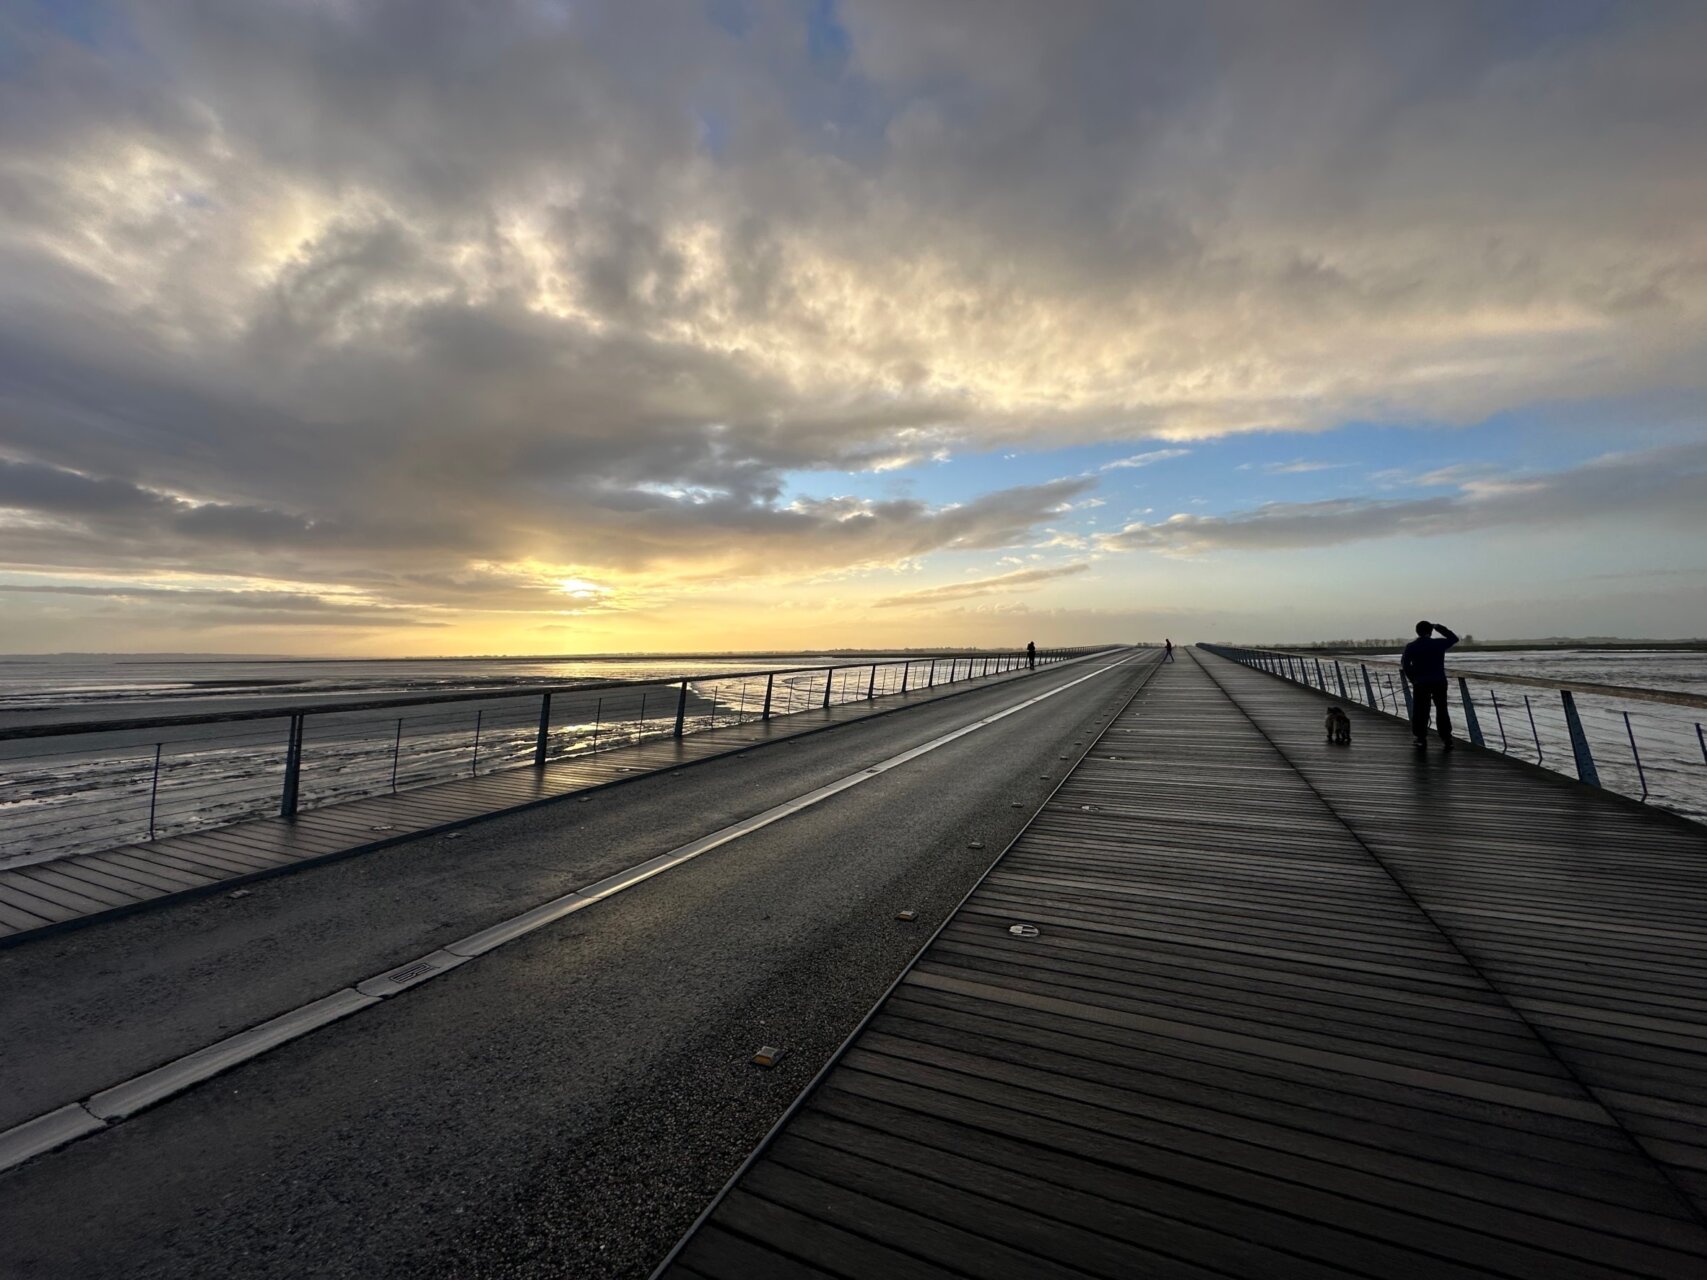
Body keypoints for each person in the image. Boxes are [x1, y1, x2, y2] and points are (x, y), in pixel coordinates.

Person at [1400, 620, 1459, 750]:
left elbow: (1405, 664)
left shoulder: (1411, 646)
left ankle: (1421, 738)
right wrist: (1439, 627)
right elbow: (1454, 638)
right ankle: (1446, 738)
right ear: (1430, 631)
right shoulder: (1438, 644)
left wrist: (1412, 679)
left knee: (1421, 710)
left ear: (1417, 631)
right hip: (1439, 681)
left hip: (1421, 683)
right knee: (1442, 709)